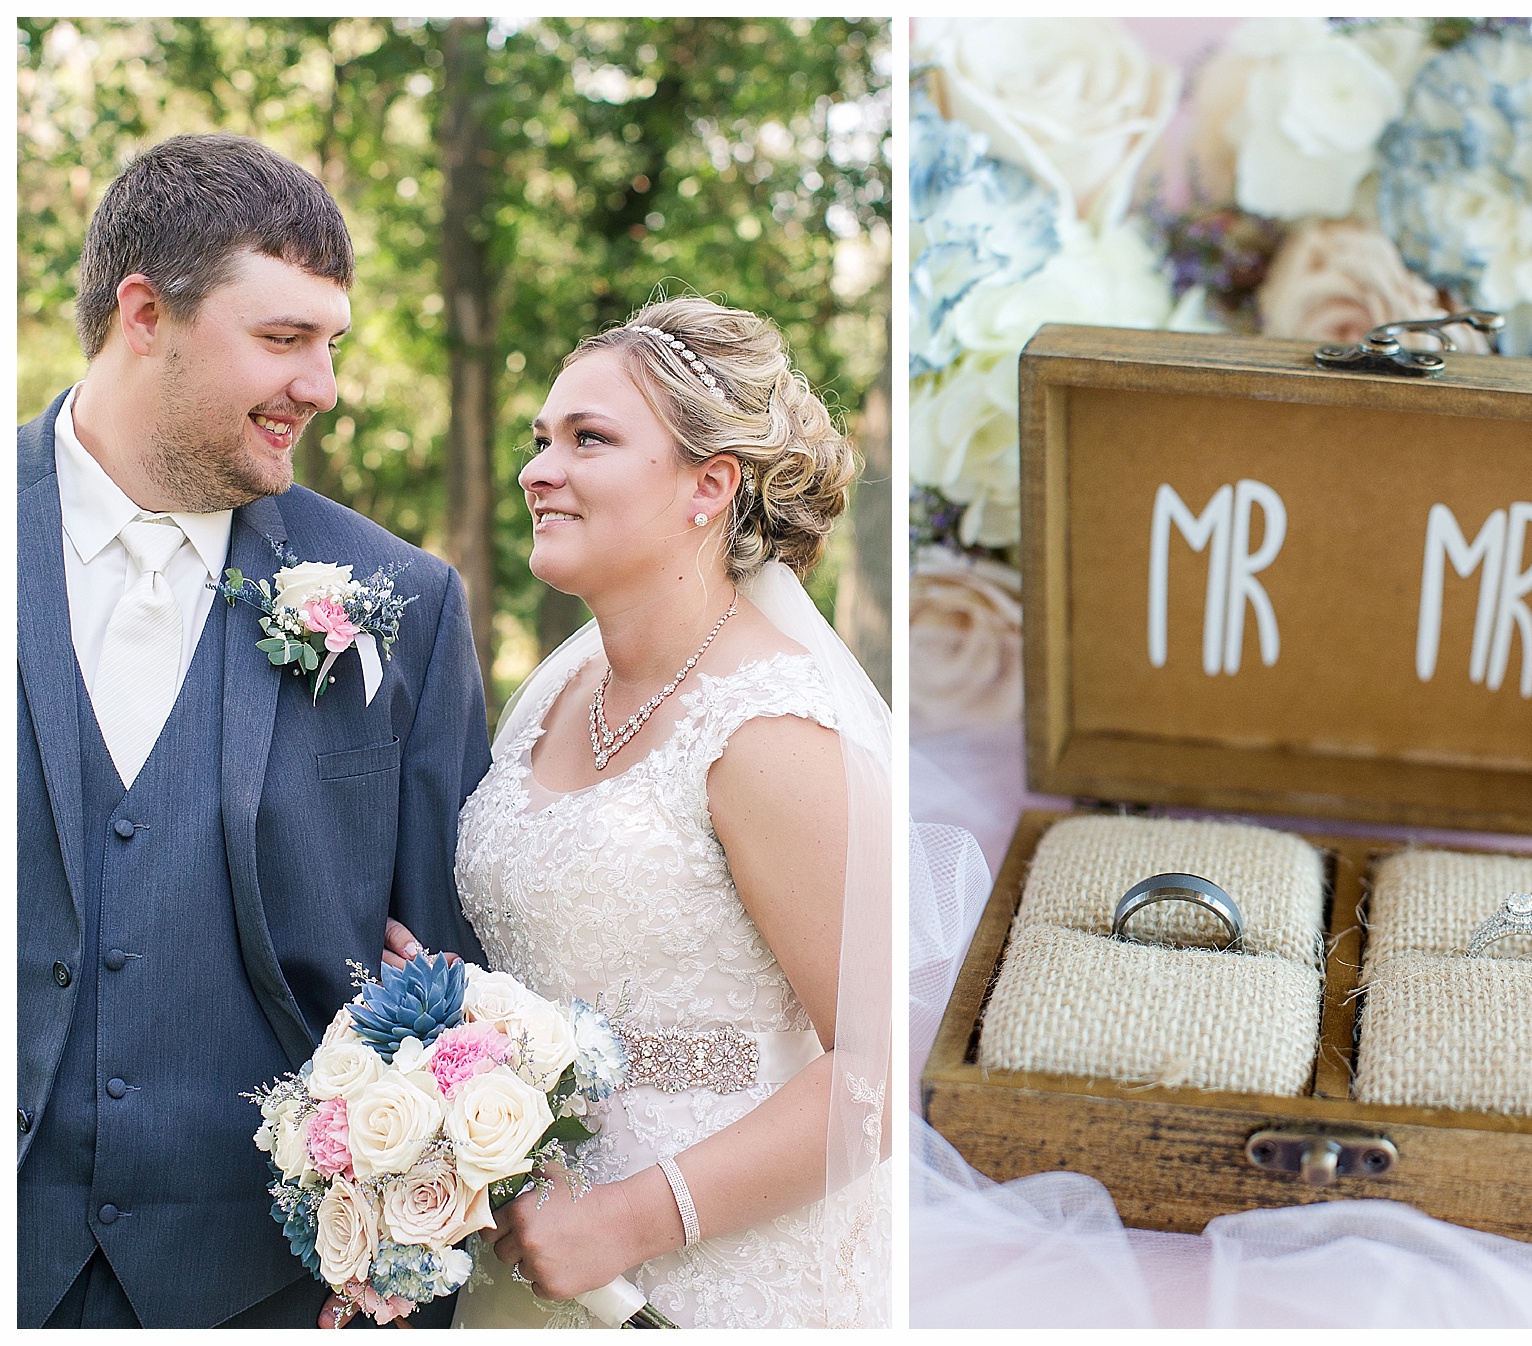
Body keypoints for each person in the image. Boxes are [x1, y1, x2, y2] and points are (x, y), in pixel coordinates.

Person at [15, 133, 490, 1328]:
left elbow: (447, 982)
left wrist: (407, 1272)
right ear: (144, 313)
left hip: (271, 1286)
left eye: (330, 343)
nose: (321, 385)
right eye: (284, 339)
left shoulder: (402, 600)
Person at [435, 296, 892, 1328]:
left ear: (709, 485)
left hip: (707, 1276)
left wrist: (627, 1221)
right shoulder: (555, 697)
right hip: (526, 1255)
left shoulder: (771, 731)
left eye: (588, 439)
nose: (538, 468)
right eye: (541, 438)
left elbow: (877, 1076)